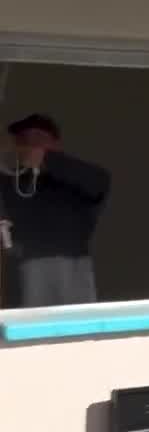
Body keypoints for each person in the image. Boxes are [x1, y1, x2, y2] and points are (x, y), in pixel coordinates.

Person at [1, 114, 111, 308]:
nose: (31, 145)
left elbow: (99, 182)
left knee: (77, 321)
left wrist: (48, 159)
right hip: (28, 269)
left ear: (55, 143)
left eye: (38, 139)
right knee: (32, 322)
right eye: (24, 141)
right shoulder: (13, 184)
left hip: (73, 265)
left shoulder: (76, 178)